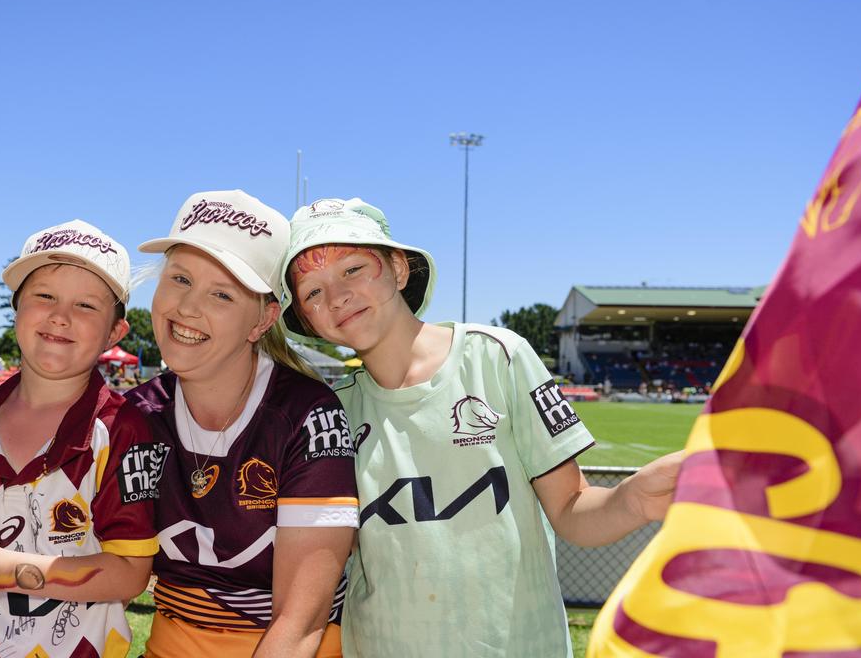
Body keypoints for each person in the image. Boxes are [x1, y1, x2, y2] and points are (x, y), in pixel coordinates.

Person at [279, 198, 683, 658]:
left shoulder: (497, 357)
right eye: (312, 292)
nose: (336, 297)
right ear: (305, 318)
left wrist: (632, 499)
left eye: (353, 269)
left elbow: (573, 511)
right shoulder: (330, 413)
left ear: (398, 268)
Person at [126, 189, 358, 657]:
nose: (188, 308)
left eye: (221, 294)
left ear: (263, 319)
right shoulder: (134, 415)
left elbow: (300, 621)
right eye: (180, 278)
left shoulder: (308, 414)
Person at [0, 220, 159, 658]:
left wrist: (6, 571)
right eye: (44, 295)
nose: (60, 316)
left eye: (86, 305)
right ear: (16, 306)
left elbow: (129, 573)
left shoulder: (123, 429)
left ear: (114, 333)